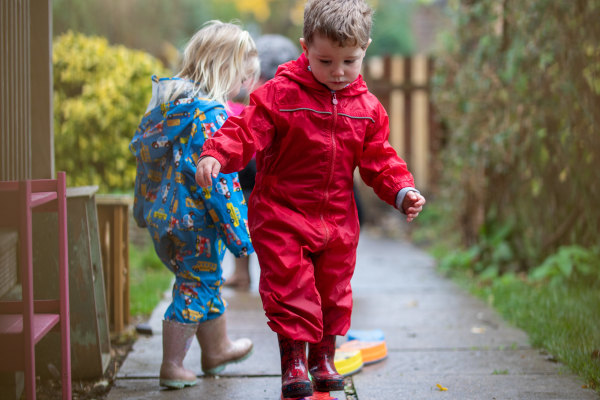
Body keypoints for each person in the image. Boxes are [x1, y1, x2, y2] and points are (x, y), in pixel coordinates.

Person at [195, 1, 426, 397]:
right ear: (305, 47)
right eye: (325, 61)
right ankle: (294, 364)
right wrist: (217, 152)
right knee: (290, 289)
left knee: (334, 292)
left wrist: (402, 190)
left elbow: (379, 158)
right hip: (281, 214)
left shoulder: (367, 109)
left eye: (349, 61)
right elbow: (245, 129)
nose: (338, 72)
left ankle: (323, 359)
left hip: (337, 220)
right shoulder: (279, 95)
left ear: (365, 49)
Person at [130, 20, 259, 390]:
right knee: (195, 285)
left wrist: (142, 210)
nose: (245, 86)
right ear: (225, 70)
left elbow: (146, 167)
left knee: (204, 280)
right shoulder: (212, 118)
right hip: (196, 224)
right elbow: (220, 184)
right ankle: (173, 364)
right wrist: (240, 233)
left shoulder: (168, 111)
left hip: (164, 219)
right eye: (243, 77)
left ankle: (217, 349)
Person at [224, 34, 300, 290]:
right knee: (240, 195)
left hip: (281, 184)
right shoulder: (244, 107)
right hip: (255, 180)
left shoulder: (272, 100)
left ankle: (252, 272)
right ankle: (243, 271)